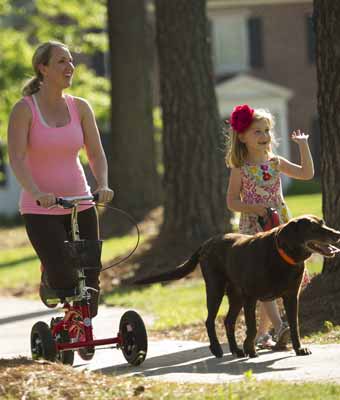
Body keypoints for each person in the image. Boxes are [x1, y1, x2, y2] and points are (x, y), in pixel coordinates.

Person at [7, 41, 114, 317]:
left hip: (81, 202)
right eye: (61, 62)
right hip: (40, 208)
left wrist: (102, 184)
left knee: (91, 276)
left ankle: (83, 327)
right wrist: (36, 191)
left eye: (70, 61)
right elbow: (17, 158)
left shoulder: (80, 107)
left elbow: (96, 154)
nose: (70, 67)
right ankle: (49, 278)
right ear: (42, 68)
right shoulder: (24, 109)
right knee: (64, 278)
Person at [225, 104, 314, 349]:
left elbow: (306, 173)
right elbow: (231, 201)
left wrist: (303, 145)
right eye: (258, 132)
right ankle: (280, 326)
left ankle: (262, 334)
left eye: (267, 131)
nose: (264, 136)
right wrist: (254, 208)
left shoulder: (275, 163)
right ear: (242, 137)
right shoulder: (240, 169)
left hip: (280, 228)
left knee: (275, 278)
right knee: (262, 277)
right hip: (255, 230)